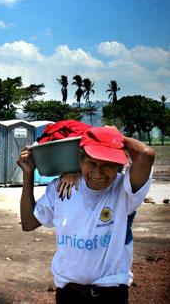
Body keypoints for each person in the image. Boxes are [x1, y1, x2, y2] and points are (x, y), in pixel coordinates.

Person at [17, 126, 155, 303]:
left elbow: (146, 155)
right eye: (92, 163)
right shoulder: (61, 188)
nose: (98, 173)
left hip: (111, 294)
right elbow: (28, 223)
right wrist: (28, 175)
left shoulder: (123, 192)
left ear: (119, 166)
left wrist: (115, 137)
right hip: (69, 294)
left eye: (108, 165)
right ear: (80, 160)